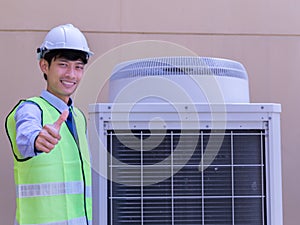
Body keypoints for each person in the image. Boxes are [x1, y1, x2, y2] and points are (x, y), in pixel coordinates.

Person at [5, 24, 93, 225]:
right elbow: (26, 137)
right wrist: (37, 140)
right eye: (63, 64)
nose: (72, 74)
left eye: (78, 67)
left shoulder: (79, 117)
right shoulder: (31, 109)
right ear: (44, 66)